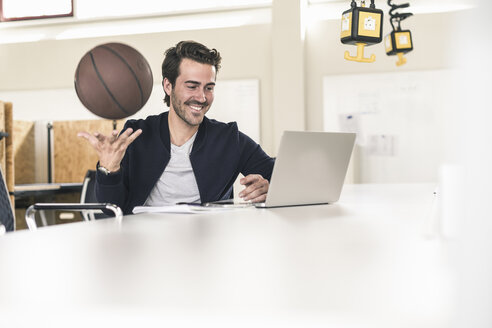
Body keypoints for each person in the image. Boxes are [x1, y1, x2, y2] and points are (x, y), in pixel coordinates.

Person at [78, 40, 274, 215]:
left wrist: (270, 188)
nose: (202, 97)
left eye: (209, 87)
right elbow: (111, 210)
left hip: (207, 243)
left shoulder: (229, 139)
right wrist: (108, 170)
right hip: (144, 243)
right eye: (192, 86)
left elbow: (284, 178)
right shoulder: (135, 135)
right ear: (168, 85)